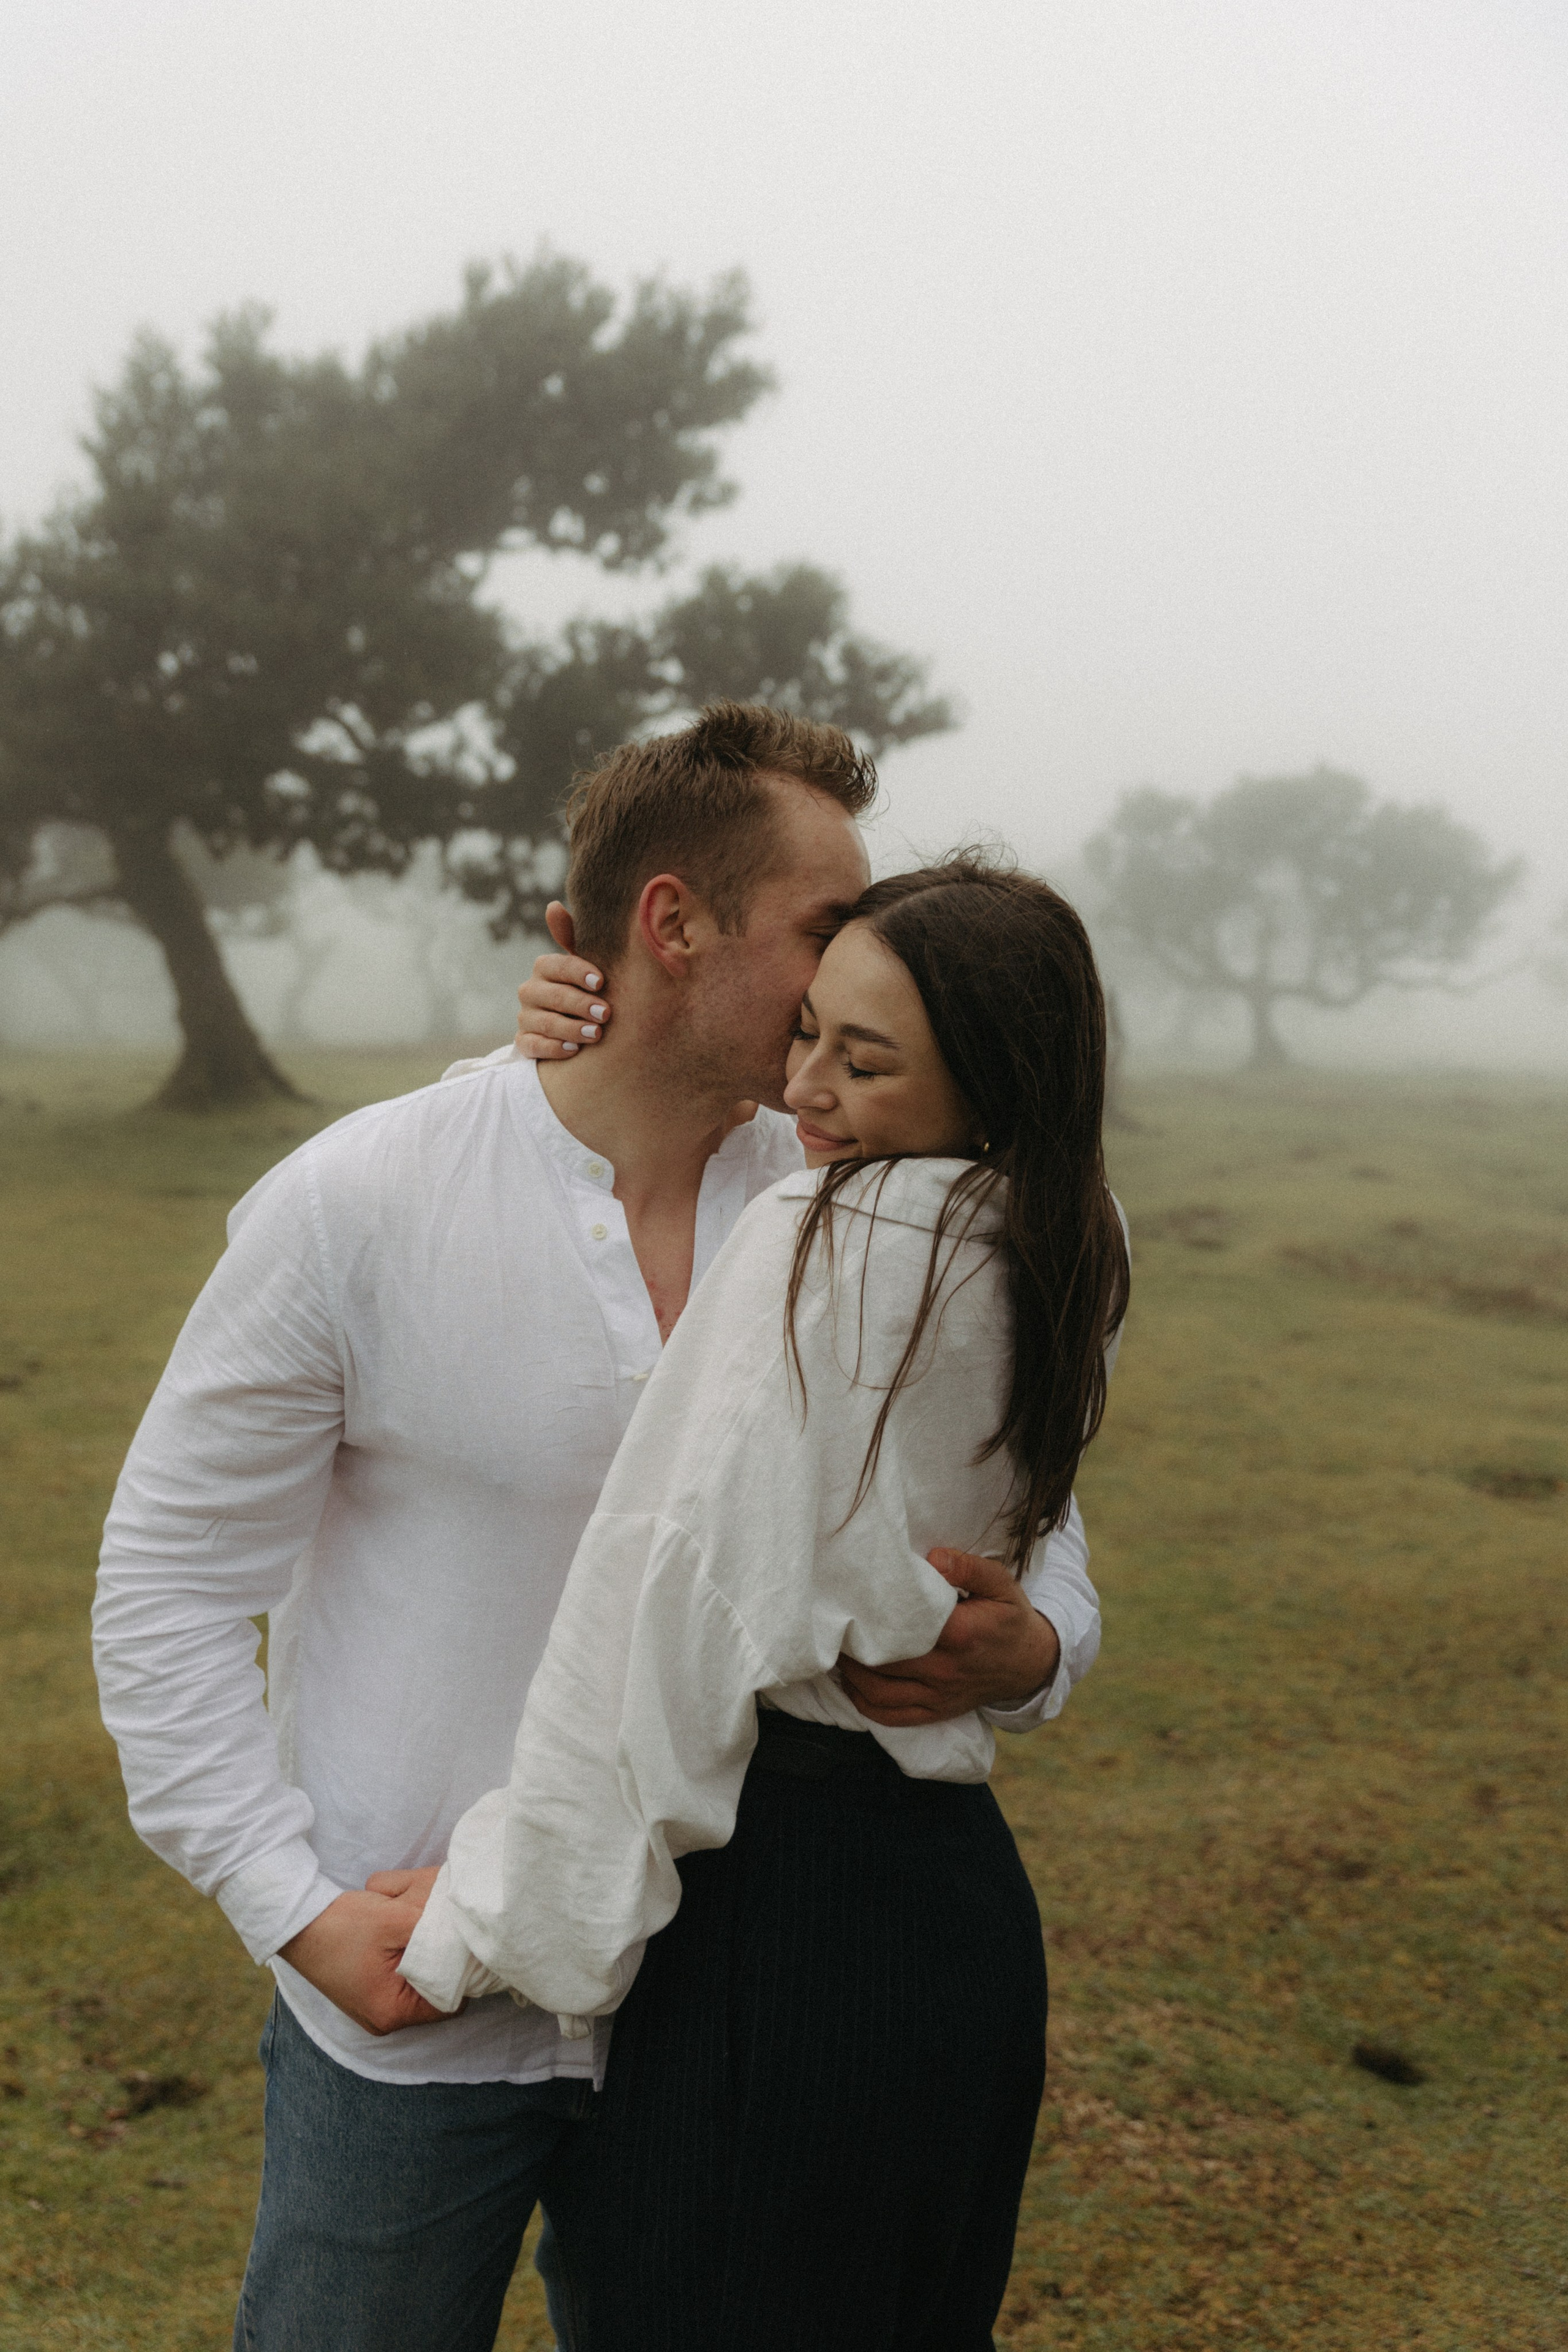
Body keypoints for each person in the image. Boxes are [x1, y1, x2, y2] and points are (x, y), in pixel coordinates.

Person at [91, 706, 1104, 2352]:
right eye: (828, 929)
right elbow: (165, 1588)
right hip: (415, 2001)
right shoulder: (362, 1202)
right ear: (670, 927)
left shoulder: (856, 1192)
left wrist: (1042, 1637)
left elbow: (1013, 1483)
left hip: (723, 2001)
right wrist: (289, 1902)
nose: (867, 966)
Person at [398, 855, 1131, 2352]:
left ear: (984, 1081)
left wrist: (495, 1912)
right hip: (955, 1917)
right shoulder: (1056, 1236)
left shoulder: (827, 1246)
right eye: (807, 1030)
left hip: (778, 1921)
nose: (806, 1087)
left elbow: (668, 1607)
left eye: (863, 1063)